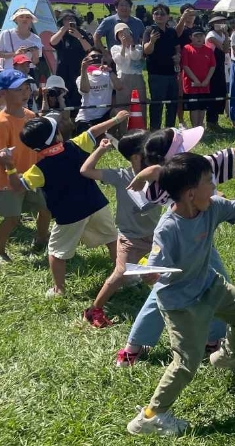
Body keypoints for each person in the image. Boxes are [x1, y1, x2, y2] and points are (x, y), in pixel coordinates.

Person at [126, 152, 235, 436]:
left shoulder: (211, 207)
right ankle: (149, 417)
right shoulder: (168, 229)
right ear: (190, 194)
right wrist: (150, 275)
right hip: (181, 304)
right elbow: (154, 273)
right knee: (186, 364)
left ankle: (230, 356)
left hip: (210, 285)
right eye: (209, 181)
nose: (215, 185)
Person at [0, 111, 129, 297]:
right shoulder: (75, 145)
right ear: (58, 135)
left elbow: (18, 187)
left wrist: (9, 165)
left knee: (56, 252)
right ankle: (126, 277)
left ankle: (59, 290)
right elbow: (93, 131)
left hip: (69, 214)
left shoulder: (39, 170)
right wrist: (116, 119)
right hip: (96, 203)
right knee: (112, 240)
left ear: (33, 148)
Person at [79, 130, 159, 328]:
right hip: (129, 237)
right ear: (136, 157)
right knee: (121, 273)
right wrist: (100, 150)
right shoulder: (121, 176)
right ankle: (94, 310)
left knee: (165, 271)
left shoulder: (158, 174)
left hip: (156, 235)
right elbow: (85, 171)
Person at [0, 70, 51, 264]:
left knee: (46, 209)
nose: (25, 93)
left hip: (31, 175)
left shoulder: (30, 115)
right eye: (19, 90)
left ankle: (41, 239)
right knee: (13, 219)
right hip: (8, 179)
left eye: (26, 88)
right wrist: (11, 170)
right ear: (3, 93)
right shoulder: (2, 122)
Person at [142, 4, 191, 130]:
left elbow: (177, 47)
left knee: (173, 103)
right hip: (156, 73)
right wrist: (152, 41)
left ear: (168, 16)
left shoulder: (171, 31)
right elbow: (146, 51)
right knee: (157, 104)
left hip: (172, 72)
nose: (159, 16)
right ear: (153, 16)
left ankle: (170, 130)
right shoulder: (149, 30)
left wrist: (178, 56)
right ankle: (154, 130)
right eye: (156, 13)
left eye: (162, 14)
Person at [49, 10, 92, 109]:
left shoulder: (82, 33)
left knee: (78, 96)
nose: (69, 21)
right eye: (66, 19)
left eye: (71, 19)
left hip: (79, 70)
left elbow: (89, 49)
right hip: (63, 70)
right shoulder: (61, 33)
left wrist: (79, 37)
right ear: (62, 21)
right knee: (63, 96)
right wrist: (63, 29)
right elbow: (53, 42)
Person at [76, 49, 122, 134]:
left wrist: (110, 71)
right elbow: (85, 90)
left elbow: (119, 87)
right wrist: (83, 69)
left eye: (99, 56)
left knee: (119, 113)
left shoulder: (108, 75)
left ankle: (114, 137)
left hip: (105, 116)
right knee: (90, 142)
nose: (96, 58)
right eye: (93, 56)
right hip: (87, 118)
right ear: (86, 59)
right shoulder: (81, 77)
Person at [181, 28, 216, 129]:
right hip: (191, 84)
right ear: (191, 37)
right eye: (196, 36)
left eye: (201, 35)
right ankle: (194, 128)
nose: (199, 38)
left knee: (202, 107)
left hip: (205, 84)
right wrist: (195, 79)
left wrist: (207, 80)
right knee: (194, 107)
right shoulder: (187, 48)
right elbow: (185, 66)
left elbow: (212, 66)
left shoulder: (208, 50)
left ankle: (200, 128)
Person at [111, 23, 146, 120]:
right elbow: (119, 60)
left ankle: (141, 128)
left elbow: (136, 57)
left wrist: (132, 45)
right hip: (123, 78)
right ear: (117, 36)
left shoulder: (137, 46)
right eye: (120, 33)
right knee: (123, 105)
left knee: (140, 104)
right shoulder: (115, 48)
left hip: (137, 77)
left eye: (126, 32)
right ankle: (123, 130)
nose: (124, 35)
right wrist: (123, 46)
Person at [0, 7, 42, 71]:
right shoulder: (6, 34)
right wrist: (15, 54)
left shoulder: (36, 38)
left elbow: (35, 62)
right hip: (9, 70)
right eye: (21, 16)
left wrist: (35, 54)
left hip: (27, 71)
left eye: (28, 17)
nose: (24, 19)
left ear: (31, 20)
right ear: (15, 19)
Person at [204, 16, 230, 130]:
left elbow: (227, 48)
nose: (221, 24)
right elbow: (224, 49)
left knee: (221, 92)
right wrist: (227, 36)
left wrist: (227, 35)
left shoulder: (223, 35)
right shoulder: (211, 35)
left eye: (223, 22)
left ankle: (215, 121)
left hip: (220, 66)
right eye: (218, 22)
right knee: (213, 93)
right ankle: (210, 121)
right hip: (211, 66)